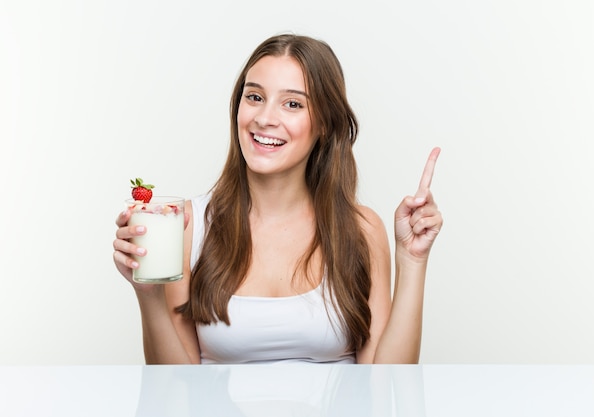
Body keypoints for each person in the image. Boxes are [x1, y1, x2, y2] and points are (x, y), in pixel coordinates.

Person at [113, 33, 443, 364]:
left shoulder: (362, 229)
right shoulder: (186, 224)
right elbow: (175, 390)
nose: (265, 118)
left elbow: (385, 383)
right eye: (254, 97)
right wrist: (150, 295)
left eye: (293, 104)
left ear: (325, 124)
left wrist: (412, 261)